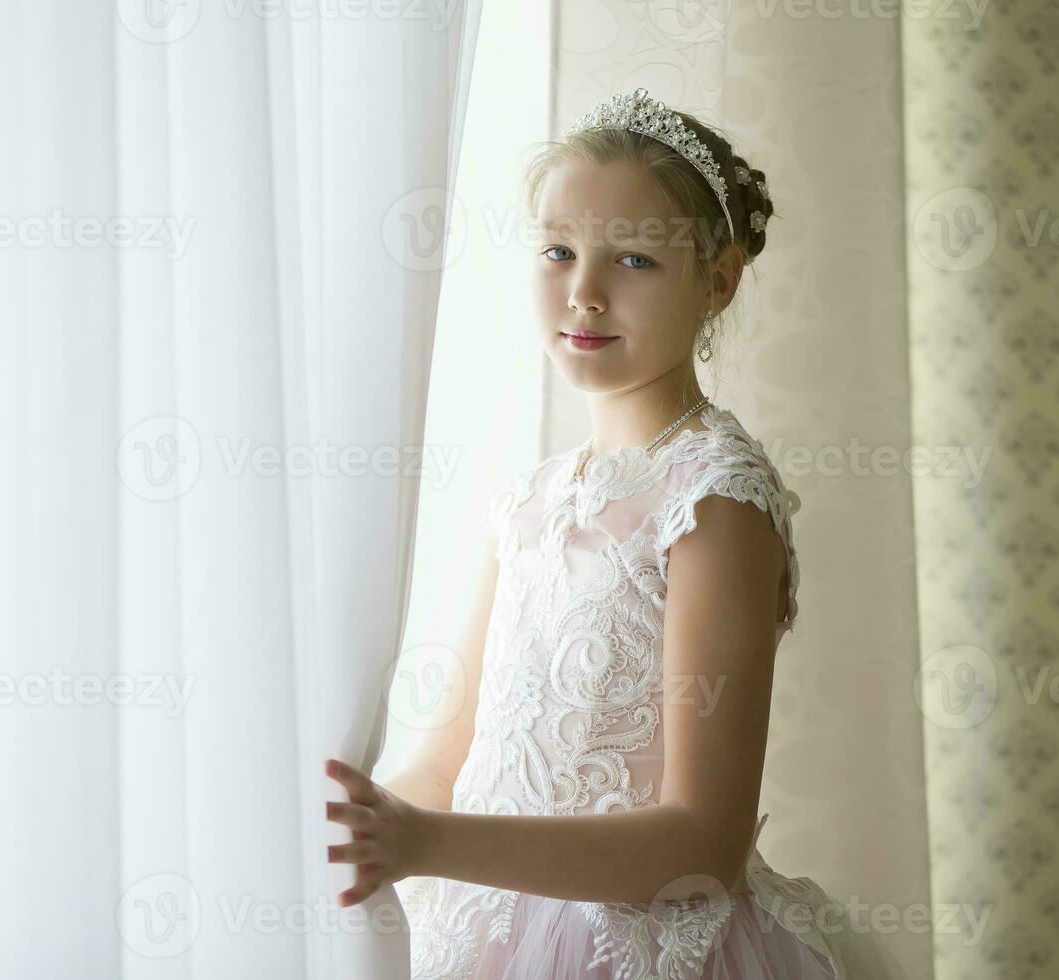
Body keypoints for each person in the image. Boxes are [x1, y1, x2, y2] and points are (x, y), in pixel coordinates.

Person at [324, 88, 910, 979]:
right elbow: (448, 761)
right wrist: (346, 833)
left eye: (634, 259)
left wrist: (424, 844)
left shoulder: (716, 500)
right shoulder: (530, 499)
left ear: (717, 281)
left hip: (630, 947)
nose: (584, 294)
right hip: (484, 935)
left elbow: (702, 842)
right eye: (558, 251)